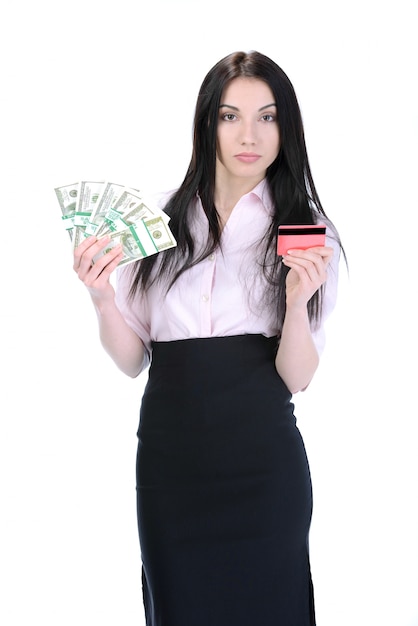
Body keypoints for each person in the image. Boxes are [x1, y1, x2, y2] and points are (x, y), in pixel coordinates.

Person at [73, 50, 343, 626]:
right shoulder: (159, 224)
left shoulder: (305, 228)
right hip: (172, 471)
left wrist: (296, 305)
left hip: (263, 470)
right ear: (206, 124)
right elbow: (132, 360)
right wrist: (101, 298)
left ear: (287, 127)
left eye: (268, 117)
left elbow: (298, 376)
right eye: (230, 116)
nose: (250, 134)